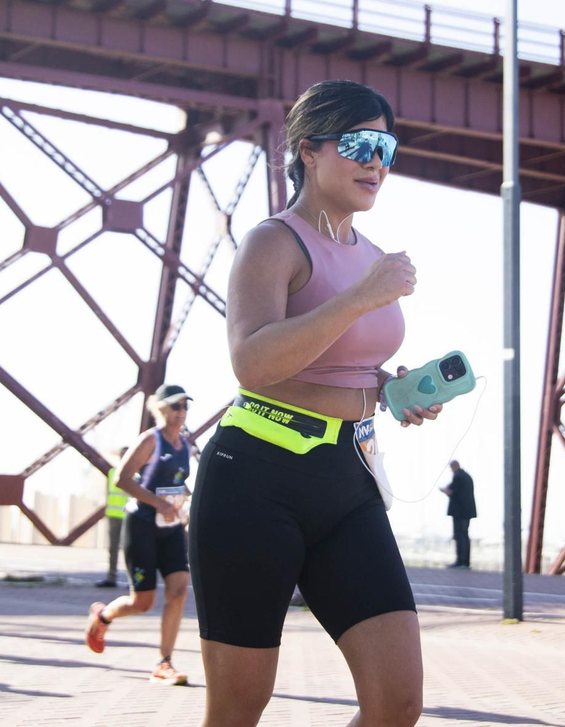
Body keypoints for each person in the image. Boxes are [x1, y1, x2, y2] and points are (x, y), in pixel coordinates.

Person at [190, 79, 443, 727]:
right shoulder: (273, 242)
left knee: (397, 705)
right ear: (309, 149)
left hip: (348, 479)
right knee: (239, 707)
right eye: (360, 144)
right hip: (256, 478)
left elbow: (341, 358)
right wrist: (361, 297)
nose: (376, 162)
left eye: (386, 146)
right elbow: (252, 363)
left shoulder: (376, 259)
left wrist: (390, 386)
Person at [86, 385, 194, 685]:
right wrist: (159, 503)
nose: (181, 412)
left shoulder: (184, 445)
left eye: (185, 406)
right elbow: (121, 479)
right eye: (175, 406)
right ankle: (103, 617)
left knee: (179, 591)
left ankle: (164, 662)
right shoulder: (150, 441)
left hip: (171, 529)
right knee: (142, 602)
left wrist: (188, 501)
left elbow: (178, 482)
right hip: (142, 526)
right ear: (161, 408)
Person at [93, 447, 130, 589]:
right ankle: (111, 577)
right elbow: (108, 494)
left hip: (129, 516)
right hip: (114, 515)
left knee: (129, 550)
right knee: (113, 549)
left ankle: (130, 580)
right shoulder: (112, 472)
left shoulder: (136, 475)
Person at [440, 460, 476, 569]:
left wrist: (443, 490)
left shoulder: (458, 477)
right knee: (464, 535)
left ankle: (461, 561)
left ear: (454, 467)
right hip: (467, 511)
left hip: (459, 512)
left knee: (460, 536)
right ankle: (465, 562)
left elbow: (450, 491)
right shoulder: (467, 476)